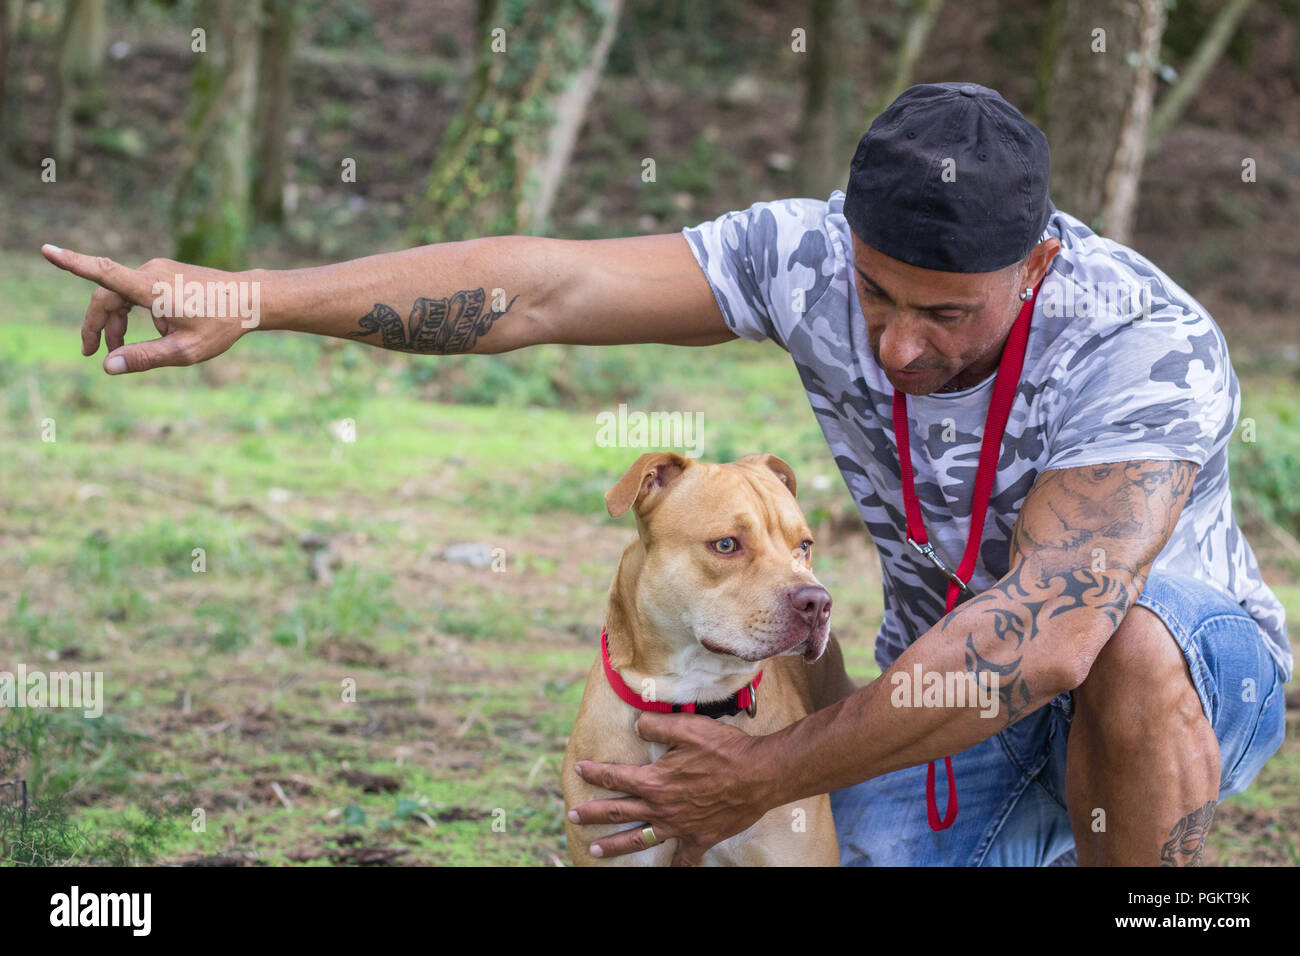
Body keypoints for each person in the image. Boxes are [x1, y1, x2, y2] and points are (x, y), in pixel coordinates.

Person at [43, 82, 1291, 867]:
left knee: (1124, 648)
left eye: (947, 314)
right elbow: (539, 289)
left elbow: (1049, 641)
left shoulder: (1138, 337)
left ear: (1034, 268)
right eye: (875, 296)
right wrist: (245, 296)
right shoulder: (798, 256)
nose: (900, 343)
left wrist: (770, 771)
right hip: (933, 683)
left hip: (1170, 666)